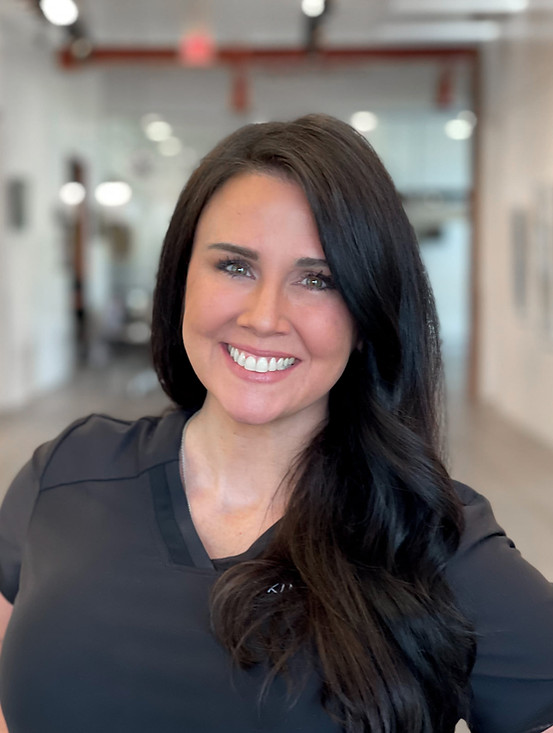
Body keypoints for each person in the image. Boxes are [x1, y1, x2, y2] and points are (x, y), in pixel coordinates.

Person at [0, 113, 552, 733]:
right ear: (181, 278)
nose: (266, 317)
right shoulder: (66, 474)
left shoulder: (429, 540)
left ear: (367, 315)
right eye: (235, 267)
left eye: (318, 280)